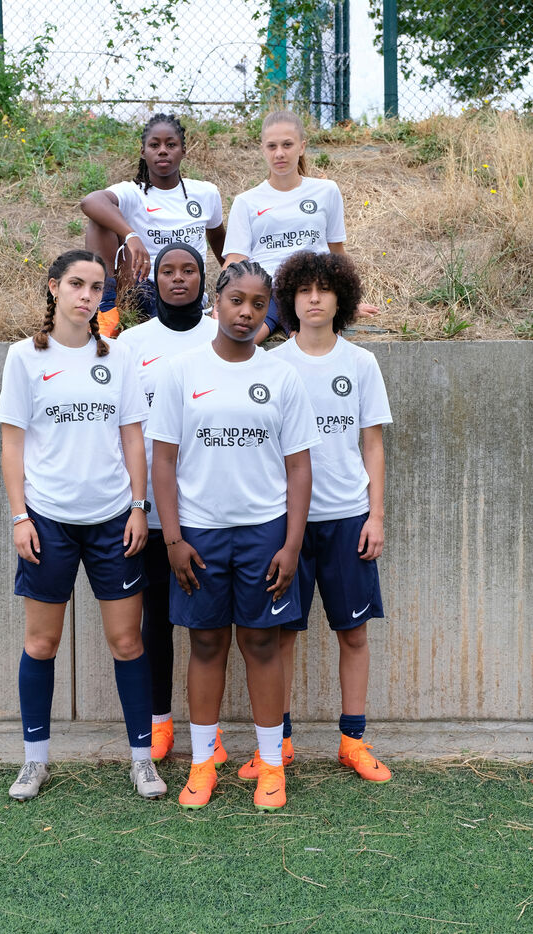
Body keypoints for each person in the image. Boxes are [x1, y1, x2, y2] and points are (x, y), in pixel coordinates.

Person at [147, 260, 320, 811]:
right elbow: (163, 461)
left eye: (258, 304)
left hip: (265, 533)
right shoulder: (182, 372)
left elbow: (299, 467)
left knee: (262, 643)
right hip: (199, 534)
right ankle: (203, 764)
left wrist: (291, 544)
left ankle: (271, 766)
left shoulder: (281, 376)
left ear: (268, 310)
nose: (246, 312)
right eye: (236, 300)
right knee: (205, 643)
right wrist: (173, 540)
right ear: (215, 303)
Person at [0, 249, 166, 802]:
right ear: (54, 288)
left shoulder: (118, 356)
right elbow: (12, 443)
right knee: (42, 642)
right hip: (47, 521)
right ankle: (34, 761)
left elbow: (133, 436)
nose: (86, 296)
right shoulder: (24, 357)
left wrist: (138, 506)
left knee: (127, 641)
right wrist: (20, 516)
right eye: (76, 284)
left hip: (113, 520)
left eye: (96, 287)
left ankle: (142, 760)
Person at [238, 249, 393, 783]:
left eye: (325, 289)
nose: (314, 299)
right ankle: (277, 745)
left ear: (340, 298)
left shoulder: (361, 364)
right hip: (287, 524)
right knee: (280, 636)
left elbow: (372, 444)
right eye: (304, 290)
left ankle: (353, 741)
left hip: (348, 518)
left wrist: (375, 515)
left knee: (354, 634)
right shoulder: (272, 365)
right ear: (290, 299)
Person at [117, 241, 227, 766]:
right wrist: (135, 502)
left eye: (189, 270)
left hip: (207, 511)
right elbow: (124, 426)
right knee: (155, 623)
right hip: (150, 513)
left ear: (204, 280)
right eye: (168, 271)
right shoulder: (132, 343)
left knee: (212, 628)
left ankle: (211, 731)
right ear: (154, 280)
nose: (178, 278)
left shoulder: (221, 336)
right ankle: (159, 724)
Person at [222, 109, 378, 344]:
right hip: (266, 290)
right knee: (241, 343)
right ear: (263, 149)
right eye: (272, 146)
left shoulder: (326, 191)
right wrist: (222, 302)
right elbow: (236, 259)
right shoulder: (246, 201)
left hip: (311, 290)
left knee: (315, 344)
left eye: (287, 144)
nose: (279, 153)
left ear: (302, 147)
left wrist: (348, 302)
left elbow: (336, 251)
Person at [81, 112, 226, 336]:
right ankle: (106, 309)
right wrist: (131, 235)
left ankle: (166, 321)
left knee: (170, 326)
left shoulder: (205, 193)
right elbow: (90, 201)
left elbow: (218, 239)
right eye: (154, 145)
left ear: (183, 151)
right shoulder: (132, 192)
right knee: (100, 219)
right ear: (143, 152)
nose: (163, 150)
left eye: (171, 144)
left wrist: (231, 283)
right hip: (141, 285)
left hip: (184, 287)